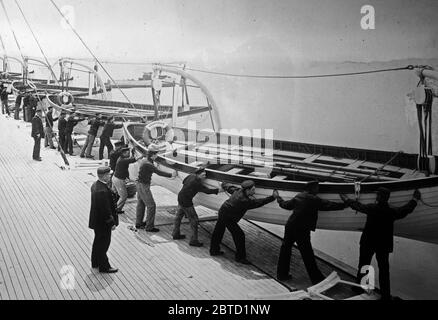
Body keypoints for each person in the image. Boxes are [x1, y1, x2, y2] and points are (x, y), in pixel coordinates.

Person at [340, 188, 421, 300]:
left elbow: (358, 206)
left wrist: (346, 199)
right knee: (384, 270)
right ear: (387, 198)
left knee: (364, 265)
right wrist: (415, 199)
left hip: (368, 242)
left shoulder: (372, 208)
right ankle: (385, 296)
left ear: (378, 197)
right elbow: (405, 210)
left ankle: (359, 287)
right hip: (383, 245)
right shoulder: (391, 212)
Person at [276, 181, 346, 284]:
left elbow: (286, 205)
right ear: (312, 189)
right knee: (307, 255)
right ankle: (317, 279)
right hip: (302, 230)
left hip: (290, 226)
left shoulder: (299, 196)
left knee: (285, 250)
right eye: (317, 188)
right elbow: (329, 205)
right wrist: (346, 204)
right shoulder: (314, 199)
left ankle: (282, 275)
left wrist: (278, 198)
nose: (318, 190)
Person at [210, 180, 277, 264]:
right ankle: (240, 258)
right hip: (227, 217)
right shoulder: (243, 200)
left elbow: (229, 187)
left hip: (223, 211)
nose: (254, 191)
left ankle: (214, 250)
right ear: (247, 190)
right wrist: (272, 197)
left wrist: (223, 183)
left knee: (218, 231)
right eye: (253, 190)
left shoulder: (238, 190)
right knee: (239, 235)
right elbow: (258, 202)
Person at [172, 166, 219, 246]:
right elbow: (207, 191)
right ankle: (194, 240)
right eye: (203, 175)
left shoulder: (190, 176)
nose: (205, 177)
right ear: (198, 174)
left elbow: (184, 182)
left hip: (180, 197)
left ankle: (175, 234)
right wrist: (219, 190)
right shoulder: (196, 182)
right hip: (186, 201)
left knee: (178, 216)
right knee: (194, 220)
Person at [135, 144, 177, 232]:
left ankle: (138, 223)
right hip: (143, 185)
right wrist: (171, 175)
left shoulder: (145, 160)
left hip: (139, 184)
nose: (157, 156)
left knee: (141, 204)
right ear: (153, 155)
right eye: (156, 154)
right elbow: (158, 172)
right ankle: (149, 227)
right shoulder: (148, 164)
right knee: (151, 206)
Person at [88, 166, 119, 273]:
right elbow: (106, 210)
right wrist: (112, 223)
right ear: (104, 176)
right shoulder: (102, 191)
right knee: (104, 244)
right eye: (109, 175)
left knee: (97, 242)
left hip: (97, 221)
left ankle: (95, 262)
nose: (110, 176)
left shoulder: (96, 185)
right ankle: (104, 266)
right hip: (103, 223)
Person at [112, 147, 138, 214]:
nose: (128, 154)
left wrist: (133, 152)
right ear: (123, 154)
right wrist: (143, 155)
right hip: (119, 180)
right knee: (124, 196)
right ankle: (116, 210)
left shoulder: (121, 159)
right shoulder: (122, 161)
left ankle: (116, 208)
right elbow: (134, 159)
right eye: (127, 153)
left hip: (116, 178)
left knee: (116, 194)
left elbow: (130, 159)